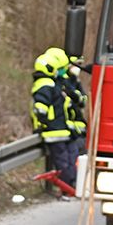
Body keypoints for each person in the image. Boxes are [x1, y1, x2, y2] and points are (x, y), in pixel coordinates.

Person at [30, 46, 78, 189]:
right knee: (63, 162)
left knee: (70, 160)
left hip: (62, 130)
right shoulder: (46, 85)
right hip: (54, 131)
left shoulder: (53, 84)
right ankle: (68, 188)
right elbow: (41, 108)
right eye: (61, 68)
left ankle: (71, 186)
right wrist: (44, 124)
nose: (63, 71)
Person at [60, 55, 89, 176]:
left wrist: (76, 95)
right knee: (71, 158)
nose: (79, 67)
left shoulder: (75, 80)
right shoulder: (63, 81)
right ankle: (72, 179)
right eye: (77, 64)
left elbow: (82, 100)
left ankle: (75, 179)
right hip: (68, 129)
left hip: (78, 129)